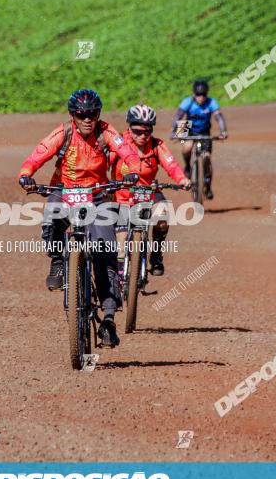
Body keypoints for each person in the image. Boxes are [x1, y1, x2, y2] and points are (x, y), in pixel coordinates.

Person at [18, 89, 139, 348]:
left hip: (98, 194)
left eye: (92, 114)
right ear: (73, 115)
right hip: (64, 190)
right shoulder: (64, 133)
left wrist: (131, 172)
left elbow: (128, 154)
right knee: (52, 214)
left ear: (98, 115)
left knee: (105, 253)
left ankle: (108, 318)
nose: (87, 119)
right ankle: (58, 262)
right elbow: (38, 154)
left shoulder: (107, 132)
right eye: (81, 115)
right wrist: (26, 174)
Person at [111, 104, 191, 276]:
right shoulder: (119, 143)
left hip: (148, 191)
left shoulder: (156, 145)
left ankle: (156, 255)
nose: (143, 136)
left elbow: (171, 164)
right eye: (137, 131)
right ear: (129, 127)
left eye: (147, 131)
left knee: (163, 218)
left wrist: (182, 179)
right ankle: (119, 276)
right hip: (122, 196)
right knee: (121, 243)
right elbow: (103, 162)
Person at [171, 79, 228, 200]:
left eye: (203, 95)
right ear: (193, 94)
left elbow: (219, 117)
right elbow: (178, 116)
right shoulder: (188, 102)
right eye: (198, 95)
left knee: (207, 157)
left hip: (204, 131)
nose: (201, 97)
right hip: (188, 127)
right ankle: (187, 166)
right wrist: (174, 132)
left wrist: (223, 131)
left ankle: (207, 185)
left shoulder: (211, 102)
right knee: (186, 147)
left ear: (207, 94)